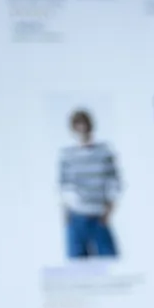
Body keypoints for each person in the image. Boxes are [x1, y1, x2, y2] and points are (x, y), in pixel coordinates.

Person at [58, 109, 120, 259]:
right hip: (77, 216)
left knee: (110, 261)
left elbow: (114, 182)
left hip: (99, 215)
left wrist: (109, 209)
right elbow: (63, 186)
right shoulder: (67, 154)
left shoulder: (104, 152)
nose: (81, 130)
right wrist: (65, 212)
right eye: (77, 127)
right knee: (77, 265)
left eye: (84, 126)